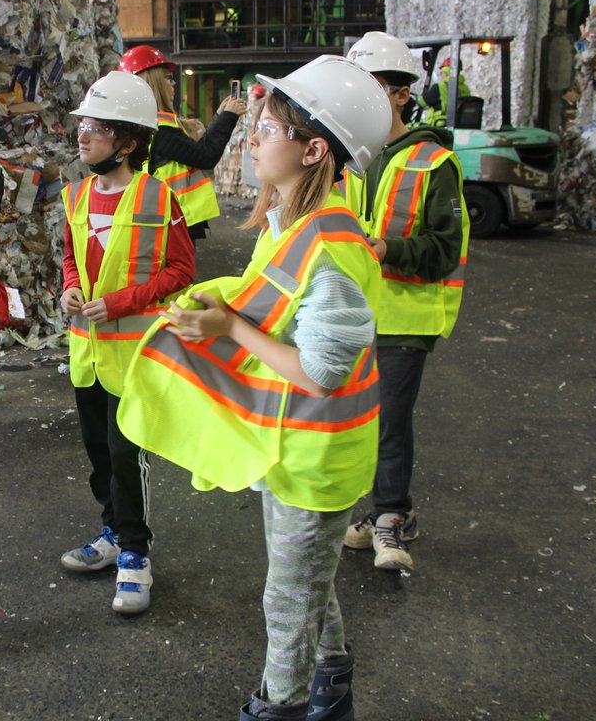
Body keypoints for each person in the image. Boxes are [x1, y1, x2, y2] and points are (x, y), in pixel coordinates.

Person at [116, 55, 392, 720]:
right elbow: (265, 302)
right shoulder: (292, 225)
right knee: (308, 586)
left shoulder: (331, 252)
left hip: (317, 459)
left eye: (268, 129)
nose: (253, 138)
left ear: (314, 149)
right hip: (290, 449)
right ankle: (331, 690)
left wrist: (227, 329)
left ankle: (281, 705)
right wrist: (216, 309)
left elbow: (322, 373)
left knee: (288, 602)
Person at [58, 71, 195, 615]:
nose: (82, 136)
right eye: (81, 126)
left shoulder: (161, 199)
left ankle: (135, 554)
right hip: (85, 351)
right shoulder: (74, 196)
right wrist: (69, 287)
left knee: (123, 451)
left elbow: (182, 270)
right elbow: (71, 257)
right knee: (97, 451)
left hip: (133, 351)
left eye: (95, 128)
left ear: (128, 143)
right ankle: (112, 531)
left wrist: (120, 303)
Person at [341, 31, 469, 571]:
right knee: (358, 418)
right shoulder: (350, 158)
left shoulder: (432, 162)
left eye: (375, 87)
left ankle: (392, 515)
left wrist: (388, 248)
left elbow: (445, 249)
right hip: (353, 312)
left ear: (400, 94)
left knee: (389, 419)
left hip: (403, 315)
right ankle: (374, 512)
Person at [118, 45, 247, 240]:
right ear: (152, 83)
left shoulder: (148, 125)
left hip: (165, 220)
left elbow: (194, 151)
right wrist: (227, 117)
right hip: (171, 224)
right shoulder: (160, 130)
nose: (173, 83)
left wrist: (220, 116)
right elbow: (205, 156)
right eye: (167, 78)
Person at [416, 56, 471, 127]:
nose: (441, 75)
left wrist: (415, 98)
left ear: (446, 72)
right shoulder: (466, 88)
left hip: (439, 125)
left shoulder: (440, 87)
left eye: (442, 73)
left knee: (409, 127)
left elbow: (422, 102)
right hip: (458, 124)